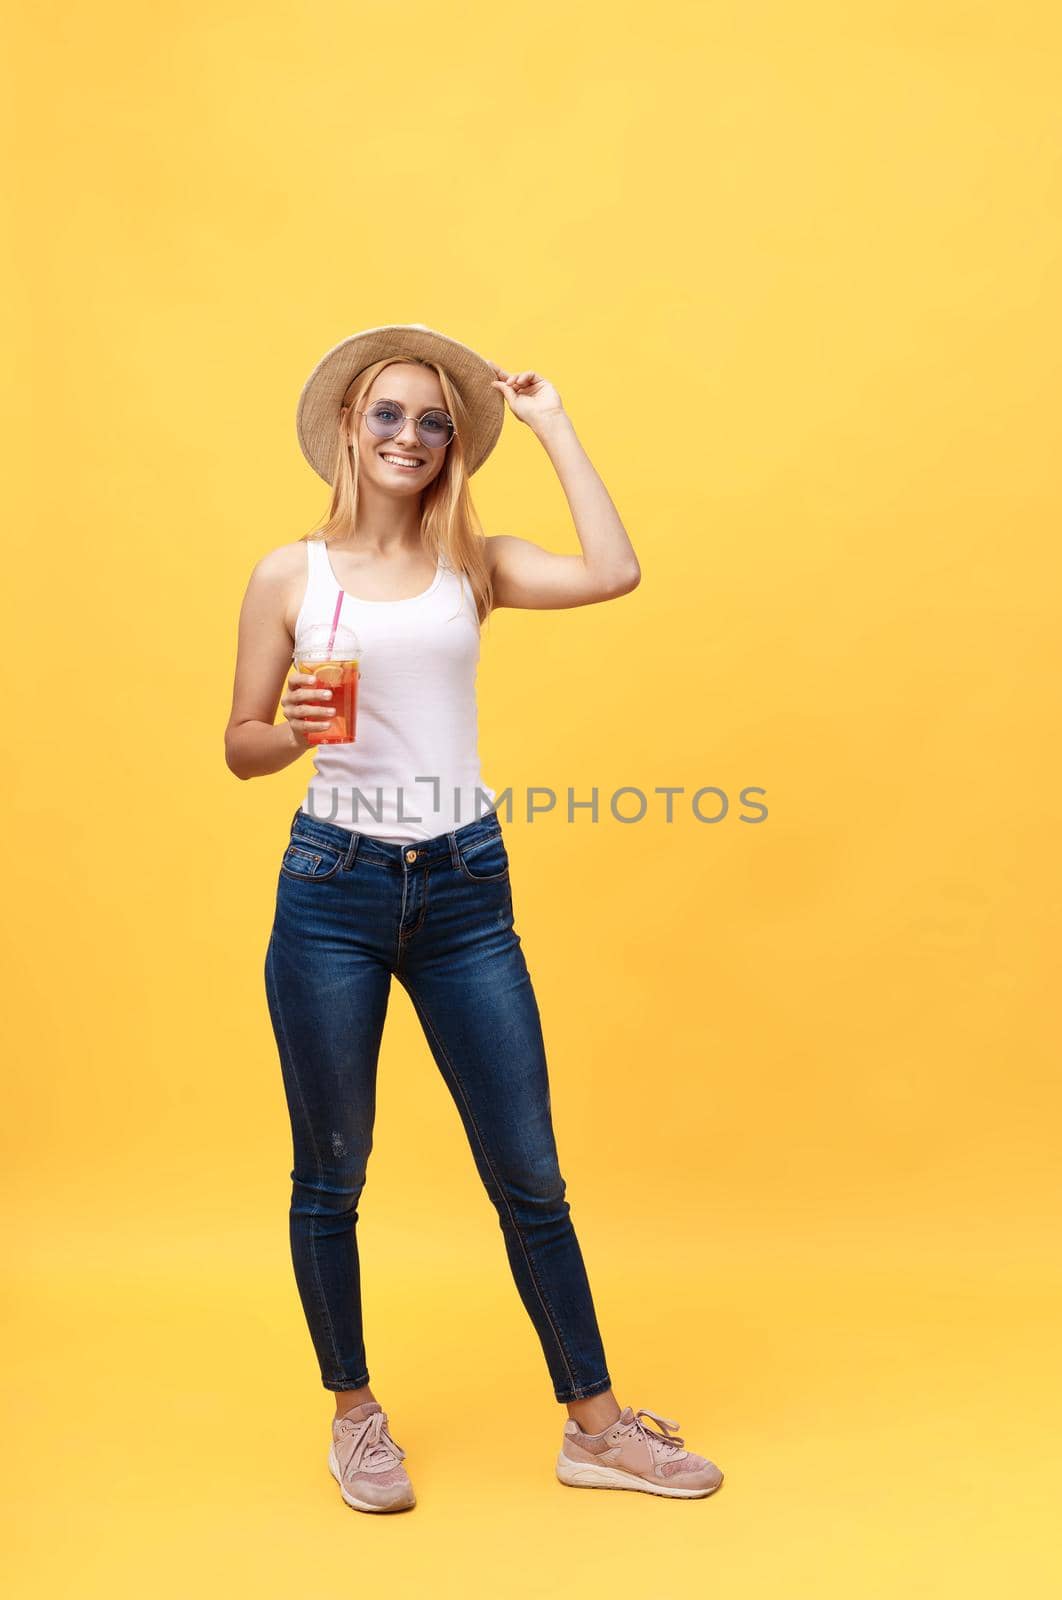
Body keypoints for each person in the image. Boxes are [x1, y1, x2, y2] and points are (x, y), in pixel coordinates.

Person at [224, 323, 724, 1512]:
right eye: (387, 414)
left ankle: (593, 1428)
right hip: (331, 888)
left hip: (461, 888)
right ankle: (355, 1415)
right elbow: (240, 747)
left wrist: (550, 423)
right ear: (349, 425)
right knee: (330, 1175)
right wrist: (296, 728)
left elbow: (614, 570)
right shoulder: (288, 575)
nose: (408, 435)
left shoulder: (474, 562)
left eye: (433, 421)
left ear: (452, 445)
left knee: (529, 1173)